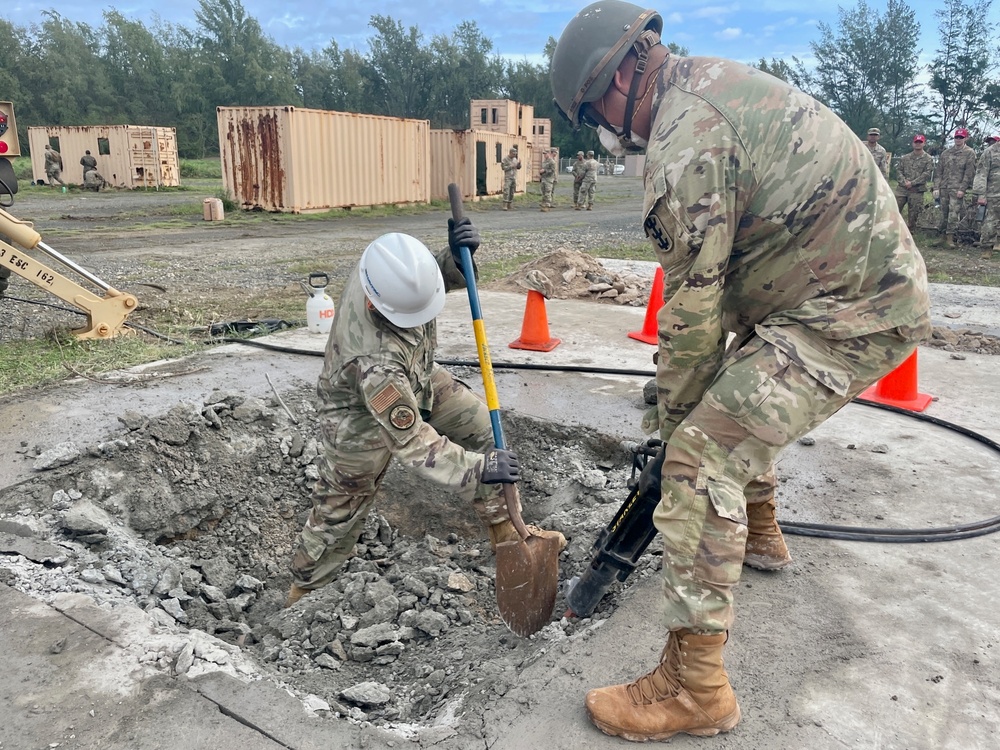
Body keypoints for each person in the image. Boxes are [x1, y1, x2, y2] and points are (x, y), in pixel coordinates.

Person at [550, 1, 930, 741]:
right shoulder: (702, 85)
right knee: (731, 393)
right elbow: (719, 300)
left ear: (629, 68)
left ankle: (696, 690)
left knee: (701, 453)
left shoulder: (685, 142)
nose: (603, 128)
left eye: (596, 110)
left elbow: (692, 318)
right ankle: (758, 533)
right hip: (828, 287)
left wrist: (673, 436)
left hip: (847, 310)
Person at [285, 223, 565, 608]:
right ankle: (306, 591)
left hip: (417, 374)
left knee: (484, 430)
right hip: (357, 417)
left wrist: (453, 260)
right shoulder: (373, 362)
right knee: (342, 504)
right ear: (374, 305)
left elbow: (420, 278)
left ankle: (508, 535)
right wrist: (478, 469)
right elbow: (413, 443)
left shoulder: (382, 267)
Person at [936, 128, 977, 247]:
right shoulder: (946, 153)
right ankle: (942, 236)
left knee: (954, 213)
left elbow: (969, 173)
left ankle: (950, 237)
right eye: (956, 137)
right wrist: (936, 187)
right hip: (944, 188)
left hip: (957, 188)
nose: (958, 139)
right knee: (943, 212)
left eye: (961, 137)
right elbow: (939, 172)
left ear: (965, 138)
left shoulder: (969, 153)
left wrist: (962, 189)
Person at [894, 134, 934, 231]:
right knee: (894, 208)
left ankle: (910, 231)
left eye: (920, 142)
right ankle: (893, 228)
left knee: (914, 212)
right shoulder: (905, 158)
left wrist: (912, 183)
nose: (918, 144)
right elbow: (899, 171)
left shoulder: (928, 159)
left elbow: (927, 174)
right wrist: (904, 182)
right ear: (913, 143)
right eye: (916, 142)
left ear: (924, 144)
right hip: (902, 189)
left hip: (917, 190)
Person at [973, 135, 1000, 260]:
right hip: (993, 194)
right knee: (989, 223)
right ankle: (987, 249)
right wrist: (981, 194)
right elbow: (981, 174)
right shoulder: (990, 151)